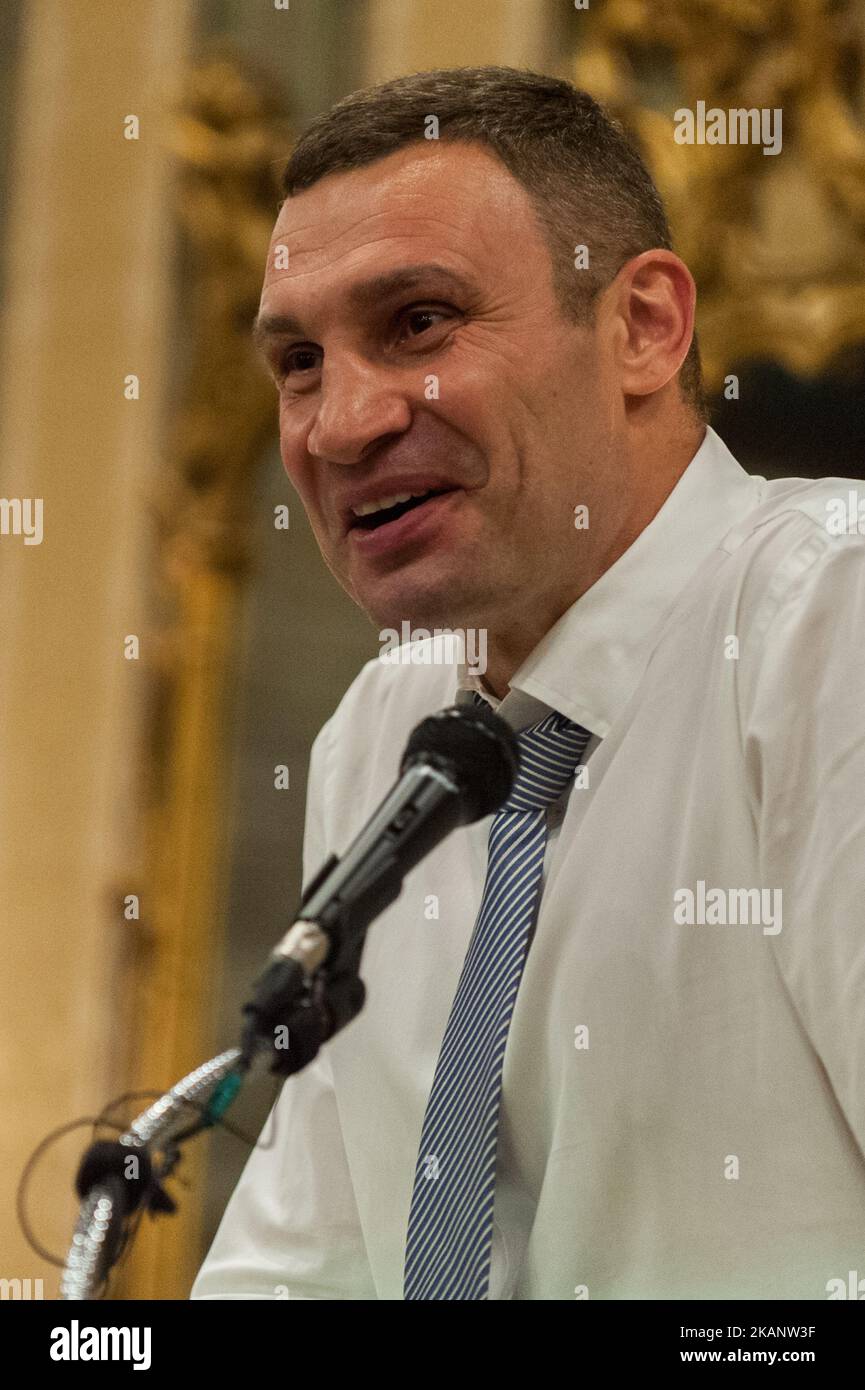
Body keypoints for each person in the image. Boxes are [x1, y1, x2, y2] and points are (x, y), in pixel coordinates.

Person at [191, 68, 865, 1300]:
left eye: (419, 322)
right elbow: (301, 1266)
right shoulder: (384, 734)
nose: (339, 424)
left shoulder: (830, 614)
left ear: (644, 328)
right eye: (296, 360)